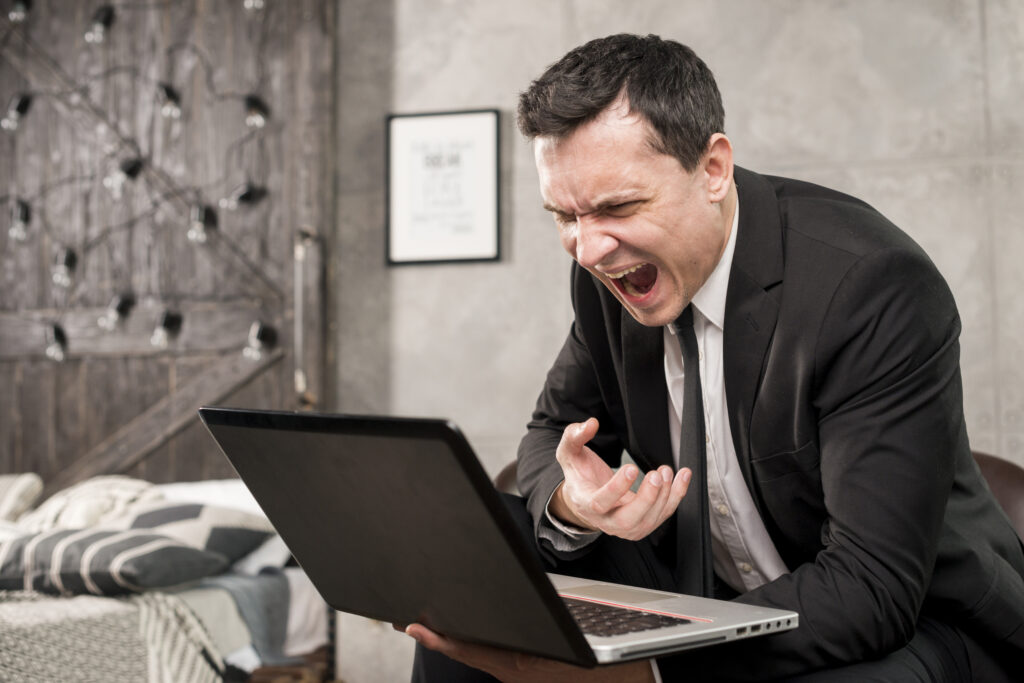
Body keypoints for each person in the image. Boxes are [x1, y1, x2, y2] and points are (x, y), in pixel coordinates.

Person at [404, 34, 1024, 682]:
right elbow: (547, 435)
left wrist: (651, 668)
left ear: (713, 169)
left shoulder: (870, 287)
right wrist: (570, 502)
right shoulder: (608, 271)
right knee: (471, 587)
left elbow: (871, 590)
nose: (586, 249)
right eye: (564, 215)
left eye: (617, 206)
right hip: (705, 597)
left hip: (918, 624)